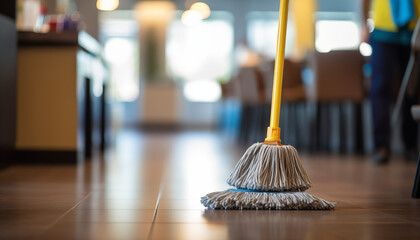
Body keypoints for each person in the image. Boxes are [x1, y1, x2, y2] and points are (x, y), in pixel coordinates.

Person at [361, 0, 420, 164]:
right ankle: (381, 146)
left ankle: (411, 146)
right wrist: (364, 23)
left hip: (414, 29)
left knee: (412, 88)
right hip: (382, 30)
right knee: (380, 88)